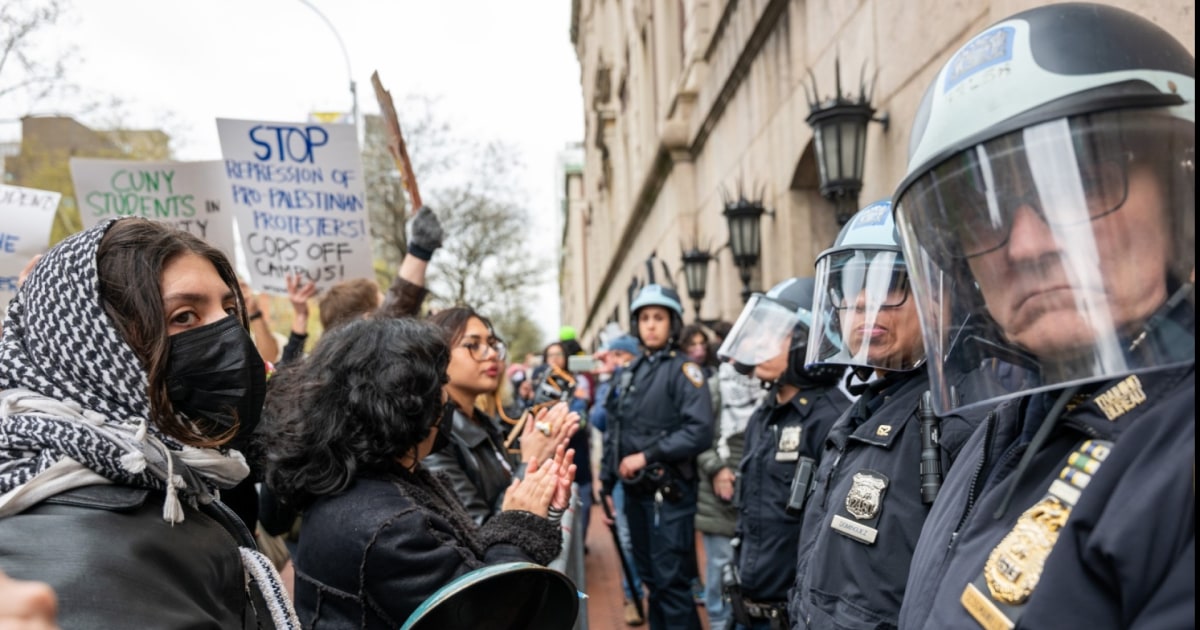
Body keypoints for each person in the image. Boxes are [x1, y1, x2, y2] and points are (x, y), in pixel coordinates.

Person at [890, 5, 1194, 628]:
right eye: (984, 214)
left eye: (1084, 182)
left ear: (1180, 196)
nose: (1027, 245)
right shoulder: (1010, 426)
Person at [0, 218, 296, 628]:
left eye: (230, 310)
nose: (230, 335)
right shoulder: (91, 557)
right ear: (95, 349)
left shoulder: (170, 478)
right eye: (185, 316)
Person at [261, 317, 576, 628]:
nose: (445, 398)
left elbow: (462, 557)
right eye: (439, 384)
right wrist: (522, 521)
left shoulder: (363, 481)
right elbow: (489, 611)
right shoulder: (393, 527)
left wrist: (536, 511)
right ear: (406, 402)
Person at [786, 202, 989, 629]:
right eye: (850, 287)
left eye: (892, 283)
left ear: (942, 298)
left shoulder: (963, 416)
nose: (863, 301)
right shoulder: (864, 407)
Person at [712, 277, 850, 630]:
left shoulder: (832, 420)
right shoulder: (765, 413)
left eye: (772, 334)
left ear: (809, 342)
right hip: (748, 608)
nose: (757, 344)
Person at [600, 283, 714, 630]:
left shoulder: (684, 371)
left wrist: (647, 455)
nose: (650, 325)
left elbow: (699, 431)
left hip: (669, 496)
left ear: (673, 323)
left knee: (671, 583)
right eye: (644, 318)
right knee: (650, 579)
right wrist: (606, 482)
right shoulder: (630, 371)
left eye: (659, 317)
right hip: (634, 494)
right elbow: (615, 429)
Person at [426, 306, 577, 524]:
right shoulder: (432, 439)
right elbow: (482, 533)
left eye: (491, 344)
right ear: (439, 356)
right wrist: (529, 460)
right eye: (472, 345)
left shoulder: (485, 423)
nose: (492, 354)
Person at [694, 324, 768, 629]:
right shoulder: (714, 387)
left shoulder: (769, 387)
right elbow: (697, 438)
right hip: (719, 499)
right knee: (720, 571)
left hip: (758, 497)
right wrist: (717, 469)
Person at [591, 332, 647, 626]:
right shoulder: (610, 384)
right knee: (626, 538)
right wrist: (608, 380)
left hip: (651, 472)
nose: (615, 362)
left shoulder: (647, 381)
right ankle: (632, 596)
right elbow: (600, 420)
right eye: (613, 356)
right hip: (621, 475)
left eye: (622, 356)